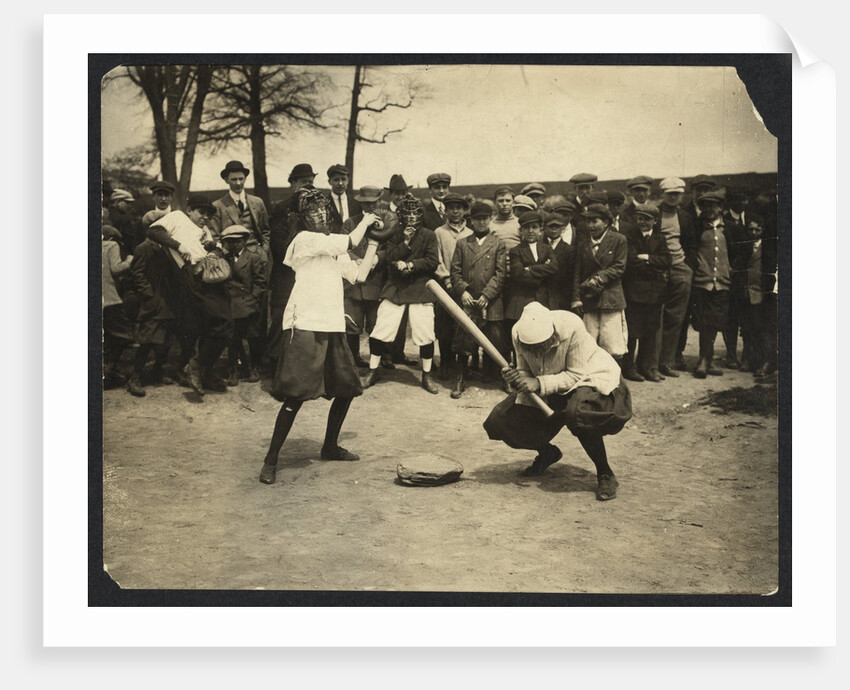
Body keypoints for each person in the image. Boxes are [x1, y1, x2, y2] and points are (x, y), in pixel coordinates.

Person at [259, 189, 381, 485]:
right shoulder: (304, 240)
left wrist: (376, 243)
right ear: (303, 219)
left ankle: (329, 446)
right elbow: (351, 239)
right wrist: (367, 221)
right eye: (314, 212)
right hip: (305, 324)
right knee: (295, 394)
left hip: (332, 325)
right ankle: (270, 460)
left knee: (347, 389)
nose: (322, 216)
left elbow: (359, 275)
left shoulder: (331, 247)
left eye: (325, 211)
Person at [483, 302, 632, 501]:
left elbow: (574, 375)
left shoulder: (572, 326)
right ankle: (547, 453)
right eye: (532, 348)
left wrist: (537, 382)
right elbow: (526, 370)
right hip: (548, 384)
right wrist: (516, 378)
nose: (538, 352)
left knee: (578, 413)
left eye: (541, 347)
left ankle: (605, 473)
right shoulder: (518, 332)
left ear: (552, 335)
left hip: (587, 378)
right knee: (499, 419)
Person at [146, 194, 233, 396]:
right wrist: (178, 245)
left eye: (209, 215)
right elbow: (153, 230)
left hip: (209, 276)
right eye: (202, 212)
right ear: (189, 210)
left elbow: (214, 247)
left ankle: (200, 369)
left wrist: (214, 252)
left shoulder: (204, 230)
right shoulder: (177, 217)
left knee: (224, 325)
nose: (205, 217)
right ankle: (197, 368)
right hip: (189, 275)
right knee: (216, 322)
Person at [361, 193, 441, 394]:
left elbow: (432, 261)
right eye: (408, 213)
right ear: (402, 215)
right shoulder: (394, 233)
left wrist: (411, 265)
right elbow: (388, 258)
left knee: (425, 333)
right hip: (396, 286)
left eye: (416, 213)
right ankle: (373, 370)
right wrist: (404, 244)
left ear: (421, 215)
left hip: (420, 287)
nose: (412, 217)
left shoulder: (429, 235)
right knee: (381, 329)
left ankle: (426, 374)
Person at [449, 201, 508, 398]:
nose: (481, 222)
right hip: (468, 301)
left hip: (491, 301)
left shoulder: (498, 244)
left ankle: (503, 377)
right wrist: (463, 291)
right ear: (471, 221)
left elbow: (500, 274)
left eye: (485, 218)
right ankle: (460, 377)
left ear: (490, 219)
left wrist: (486, 295)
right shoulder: (463, 244)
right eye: (477, 219)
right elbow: (455, 272)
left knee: (497, 340)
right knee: (464, 341)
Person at [342, 185, 398, 367]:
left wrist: (376, 258)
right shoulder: (351, 223)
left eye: (373, 204)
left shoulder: (388, 222)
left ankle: (380, 359)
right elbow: (343, 247)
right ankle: (353, 357)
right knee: (352, 322)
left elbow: (391, 249)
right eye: (365, 204)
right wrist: (356, 260)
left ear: (379, 202)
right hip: (354, 284)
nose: (369, 208)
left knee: (376, 323)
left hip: (376, 282)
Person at [267, 163, 318, 359]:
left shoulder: (318, 207)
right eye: (305, 183)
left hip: (311, 274)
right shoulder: (283, 208)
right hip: (287, 273)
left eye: (312, 183)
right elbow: (278, 245)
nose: (309, 187)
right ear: (293, 183)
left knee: (306, 319)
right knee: (282, 318)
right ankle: (273, 361)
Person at [570, 203, 629, 363]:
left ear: (606, 222)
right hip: (589, 299)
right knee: (588, 343)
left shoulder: (618, 240)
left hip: (611, 299)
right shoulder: (583, 244)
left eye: (594, 221)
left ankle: (614, 380)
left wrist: (599, 278)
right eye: (588, 222)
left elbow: (619, 266)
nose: (591, 226)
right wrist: (576, 298)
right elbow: (577, 272)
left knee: (612, 345)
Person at [620, 203, 672, 383]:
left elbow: (667, 260)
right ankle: (629, 368)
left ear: (655, 221)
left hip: (655, 294)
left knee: (650, 330)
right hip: (635, 292)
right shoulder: (630, 237)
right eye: (640, 218)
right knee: (633, 331)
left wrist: (648, 258)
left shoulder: (660, 238)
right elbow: (632, 262)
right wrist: (654, 266)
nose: (642, 222)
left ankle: (646, 366)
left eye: (647, 219)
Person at [126, 226, 178, 396]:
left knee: (165, 340)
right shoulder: (143, 248)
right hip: (153, 302)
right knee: (147, 340)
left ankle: (157, 372)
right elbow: (137, 273)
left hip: (166, 301)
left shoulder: (163, 249)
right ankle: (135, 378)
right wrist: (149, 294)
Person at [654, 177, 698, 377]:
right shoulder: (655, 213)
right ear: (662, 194)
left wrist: (687, 267)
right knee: (656, 316)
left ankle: (667, 362)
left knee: (676, 317)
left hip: (680, 268)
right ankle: (651, 364)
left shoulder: (686, 216)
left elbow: (691, 244)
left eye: (677, 194)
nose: (673, 197)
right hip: (658, 268)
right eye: (669, 193)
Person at [689, 192, 733, 378]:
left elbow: (741, 250)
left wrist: (731, 268)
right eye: (705, 206)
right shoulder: (697, 227)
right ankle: (705, 359)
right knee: (703, 320)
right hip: (702, 282)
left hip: (722, 283)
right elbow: (690, 250)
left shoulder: (729, 229)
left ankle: (706, 359)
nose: (709, 210)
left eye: (713, 206)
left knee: (714, 322)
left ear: (721, 208)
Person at [220, 225, 268, 386]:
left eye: (237, 241)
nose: (234, 245)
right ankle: (233, 368)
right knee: (233, 338)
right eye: (230, 242)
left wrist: (253, 299)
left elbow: (261, 283)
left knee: (253, 337)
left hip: (248, 303)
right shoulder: (224, 259)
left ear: (244, 241)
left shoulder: (253, 258)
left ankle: (254, 366)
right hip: (230, 304)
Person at [434, 192, 473, 379]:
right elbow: (438, 259)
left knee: (464, 326)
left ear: (464, 210)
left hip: (465, 288)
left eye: (459, 208)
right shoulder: (440, 232)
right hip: (446, 287)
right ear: (445, 211)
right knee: (445, 327)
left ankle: (462, 366)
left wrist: (465, 286)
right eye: (451, 208)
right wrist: (447, 280)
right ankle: (445, 362)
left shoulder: (471, 233)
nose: (455, 212)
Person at [504, 210, 558, 331]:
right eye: (526, 228)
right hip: (524, 299)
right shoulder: (516, 251)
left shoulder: (547, 248)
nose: (530, 231)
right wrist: (543, 272)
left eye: (534, 227)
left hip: (544, 299)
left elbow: (554, 267)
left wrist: (531, 269)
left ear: (540, 230)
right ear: (521, 231)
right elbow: (519, 274)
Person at [209, 160, 271, 252]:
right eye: (234, 179)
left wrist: (264, 250)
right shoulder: (217, 206)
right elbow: (215, 236)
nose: (238, 183)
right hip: (231, 257)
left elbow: (265, 231)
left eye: (241, 179)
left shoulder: (257, 202)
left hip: (257, 255)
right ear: (226, 180)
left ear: (245, 178)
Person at [102, 224, 135, 388]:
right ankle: (106, 372)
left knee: (106, 337)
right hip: (110, 300)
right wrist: (129, 259)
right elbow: (116, 268)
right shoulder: (110, 245)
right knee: (124, 336)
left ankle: (108, 371)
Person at [542, 211, 576, 311]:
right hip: (541, 296)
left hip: (561, 297)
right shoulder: (539, 246)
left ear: (562, 228)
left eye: (557, 226)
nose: (554, 229)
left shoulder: (569, 249)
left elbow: (571, 276)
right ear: (544, 227)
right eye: (551, 226)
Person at [326, 164, 360, 231]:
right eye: (336, 180)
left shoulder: (356, 203)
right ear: (330, 181)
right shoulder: (324, 203)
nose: (340, 183)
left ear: (348, 181)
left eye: (343, 179)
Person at [490, 186, 520, 251]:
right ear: (495, 203)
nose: (504, 204)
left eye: (508, 200)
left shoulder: (520, 223)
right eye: (500, 201)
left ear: (513, 203)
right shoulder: (490, 225)